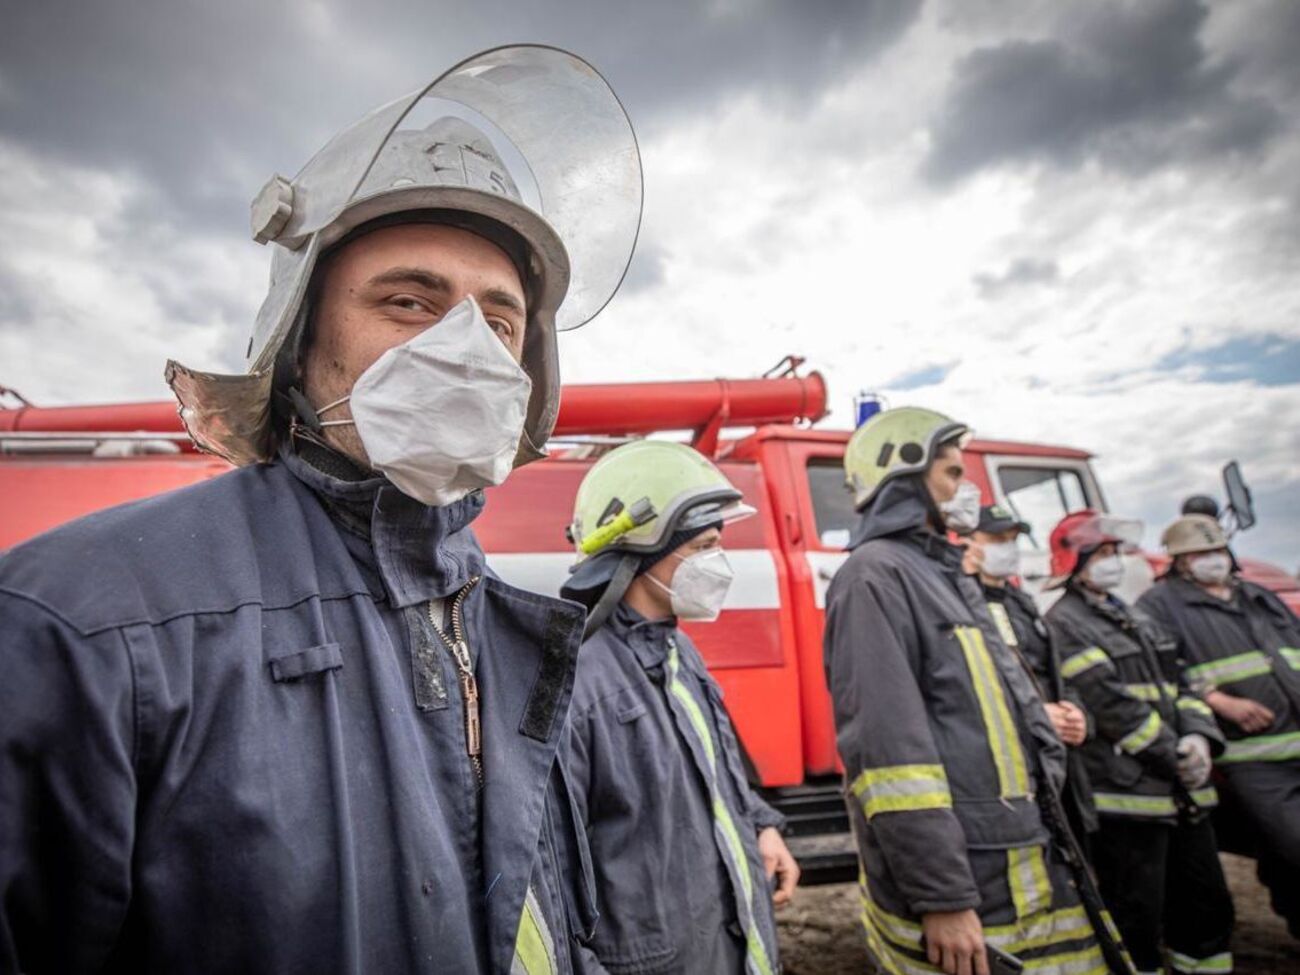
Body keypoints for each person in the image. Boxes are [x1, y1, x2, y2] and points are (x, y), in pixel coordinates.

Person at [0, 47, 642, 973]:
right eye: (409, 300)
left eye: (499, 322)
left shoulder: (505, 625)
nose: (465, 346)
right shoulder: (83, 622)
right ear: (301, 347)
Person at [824, 407, 1123, 975]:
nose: (969, 490)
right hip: (972, 873)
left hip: (1012, 853)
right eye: (955, 473)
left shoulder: (945, 574)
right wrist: (943, 898)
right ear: (905, 478)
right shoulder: (874, 576)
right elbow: (891, 760)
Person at [558, 440, 796, 974]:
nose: (719, 563)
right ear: (642, 546)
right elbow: (549, 882)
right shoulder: (576, 682)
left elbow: (711, 767)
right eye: (705, 546)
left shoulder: (675, 648)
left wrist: (759, 824)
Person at [1045, 511, 1234, 975]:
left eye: (1116, 553)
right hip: (1128, 797)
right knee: (1136, 916)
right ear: (1077, 559)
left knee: (1207, 907)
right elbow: (1111, 707)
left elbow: (1183, 680)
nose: (1114, 563)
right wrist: (1174, 754)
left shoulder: (1136, 614)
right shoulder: (1064, 623)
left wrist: (1198, 737)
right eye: (1103, 553)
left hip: (1182, 791)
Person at [1138, 513, 1300, 939]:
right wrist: (1218, 700)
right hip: (1253, 757)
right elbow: (1161, 672)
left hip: (1296, 740)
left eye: (1217, 551)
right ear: (1180, 561)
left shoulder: (1258, 596)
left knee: (1284, 857)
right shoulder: (1159, 607)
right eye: (1200, 554)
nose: (1213, 560)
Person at [966, 504, 1098, 849]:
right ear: (967, 541)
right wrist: (1036, 718)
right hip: (1010, 763)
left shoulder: (1022, 602)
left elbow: (1053, 670)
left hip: (1059, 754)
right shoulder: (959, 604)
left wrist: (1078, 713)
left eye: (1012, 539)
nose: (1007, 548)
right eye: (996, 538)